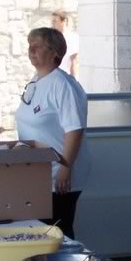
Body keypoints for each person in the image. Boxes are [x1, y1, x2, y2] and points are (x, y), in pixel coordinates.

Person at [16, 27, 89, 239]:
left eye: (37, 46)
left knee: (58, 230)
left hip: (59, 172)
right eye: (29, 45)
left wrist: (65, 168)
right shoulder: (36, 80)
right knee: (42, 230)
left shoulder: (63, 84)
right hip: (38, 170)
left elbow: (74, 129)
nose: (31, 50)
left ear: (54, 52)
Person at [51, 11, 79, 78]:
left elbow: (74, 61)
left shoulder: (72, 38)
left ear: (64, 21)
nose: (52, 23)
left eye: (55, 21)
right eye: (52, 21)